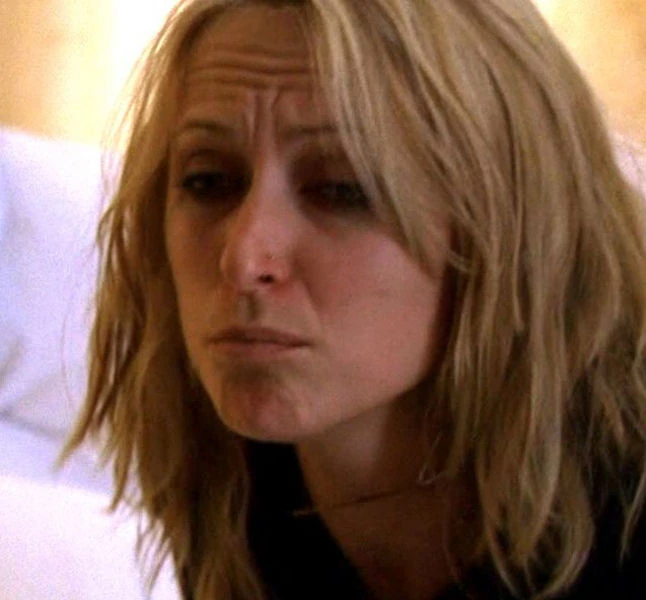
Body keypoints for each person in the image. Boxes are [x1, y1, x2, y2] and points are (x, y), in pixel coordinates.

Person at [63, 0, 646, 598]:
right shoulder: (234, 489)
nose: (242, 259)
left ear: (509, 229)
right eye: (209, 181)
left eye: (341, 190)